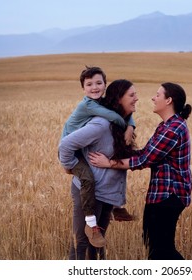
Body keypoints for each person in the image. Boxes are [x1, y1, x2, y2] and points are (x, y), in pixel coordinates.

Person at [89, 82, 192, 260]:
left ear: (168, 100)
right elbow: (146, 153)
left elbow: (145, 159)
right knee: (152, 245)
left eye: (158, 95)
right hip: (160, 195)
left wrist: (109, 163)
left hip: (169, 196)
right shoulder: (165, 126)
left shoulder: (174, 129)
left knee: (162, 249)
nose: (153, 98)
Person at [59, 79, 138, 260]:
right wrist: (70, 166)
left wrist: (130, 126)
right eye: (132, 95)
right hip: (91, 192)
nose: (137, 98)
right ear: (119, 99)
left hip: (107, 193)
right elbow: (65, 146)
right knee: (81, 245)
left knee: (97, 248)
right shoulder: (101, 124)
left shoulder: (121, 124)